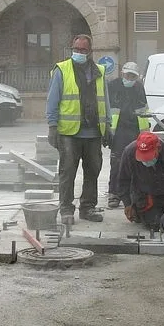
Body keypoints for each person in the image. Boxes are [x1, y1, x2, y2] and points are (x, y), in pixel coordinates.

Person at [46, 34, 112, 225]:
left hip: (93, 132)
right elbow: (52, 100)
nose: (79, 53)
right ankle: (66, 209)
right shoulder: (62, 69)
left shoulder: (99, 71)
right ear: (71, 49)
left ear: (90, 52)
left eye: (83, 50)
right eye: (76, 50)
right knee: (68, 172)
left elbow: (105, 100)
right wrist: (52, 127)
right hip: (69, 132)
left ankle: (87, 208)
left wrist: (107, 125)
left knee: (93, 171)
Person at [106, 61, 149, 209]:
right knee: (117, 162)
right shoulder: (113, 86)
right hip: (117, 131)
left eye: (133, 76)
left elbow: (143, 111)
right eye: (128, 75)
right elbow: (107, 109)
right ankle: (114, 194)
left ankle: (132, 192)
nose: (130, 78)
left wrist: (145, 134)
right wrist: (107, 132)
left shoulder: (139, 88)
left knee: (136, 162)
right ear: (122, 73)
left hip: (134, 130)